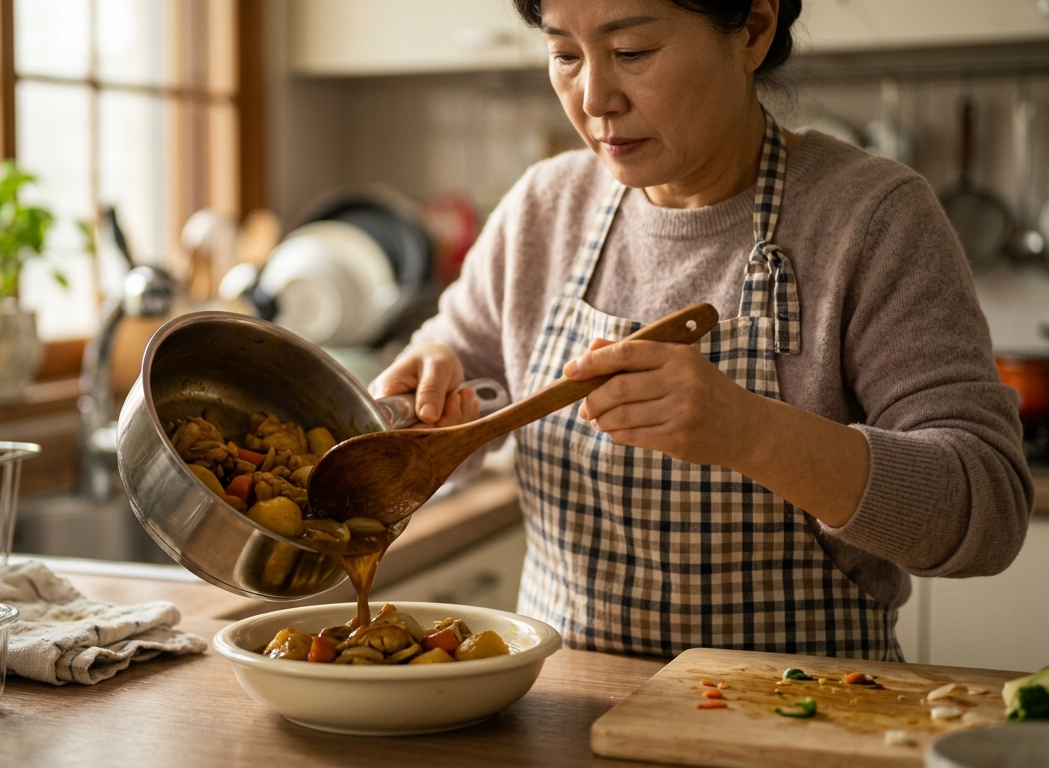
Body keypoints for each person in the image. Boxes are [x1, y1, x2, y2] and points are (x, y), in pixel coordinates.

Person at [372, 0, 1032, 660]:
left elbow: (986, 512)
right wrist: (426, 400)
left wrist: (748, 431)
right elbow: (461, 373)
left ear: (752, 29)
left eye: (631, 52)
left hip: (801, 728)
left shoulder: (871, 219)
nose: (595, 99)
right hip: (564, 722)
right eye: (565, 56)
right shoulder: (545, 209)